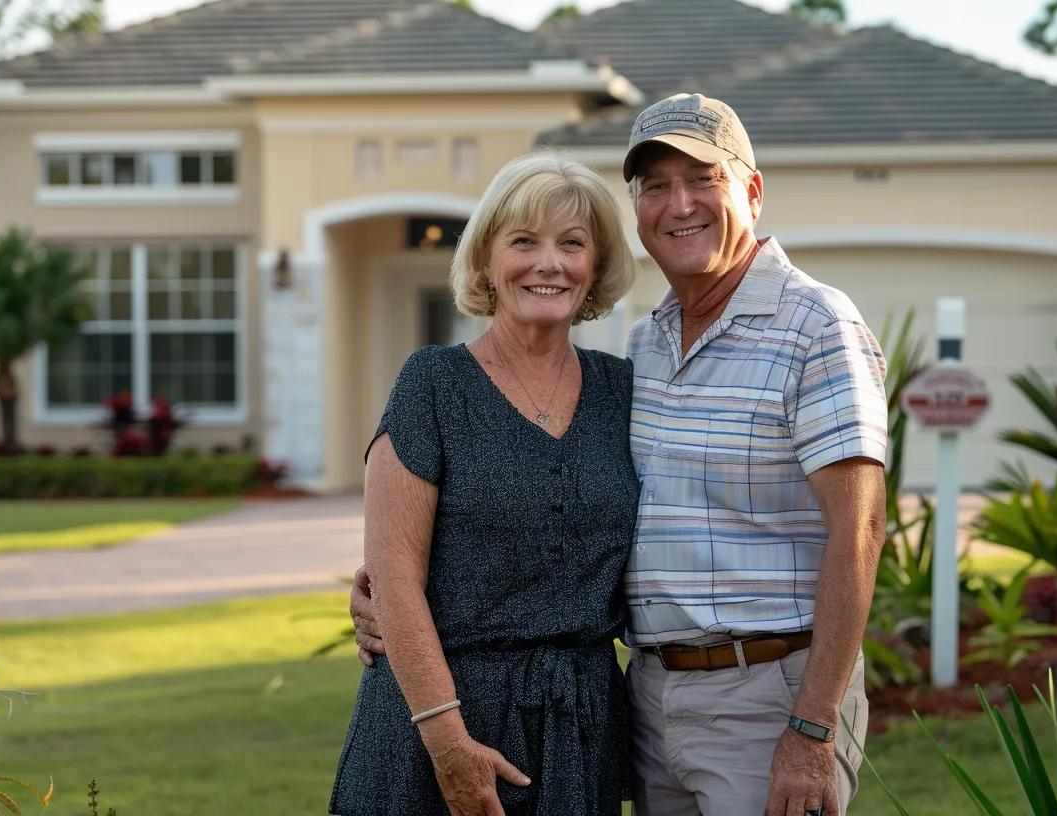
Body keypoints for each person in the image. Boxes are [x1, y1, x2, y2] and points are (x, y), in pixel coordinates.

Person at [353, 93, 888, 816]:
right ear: (485, 256)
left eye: (572, 243)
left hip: (693, 708)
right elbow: (415, 563)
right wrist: (386, 600)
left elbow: (860, 531)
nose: (681, 204)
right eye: (657, 186)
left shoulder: (799, 329)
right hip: (577, 710)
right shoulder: (646, 348)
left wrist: (815, 725)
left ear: (752, 193)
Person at [329, 152, 640, 816]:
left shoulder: (625, 391)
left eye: (572, 244)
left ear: (596, 266)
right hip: (439, 717)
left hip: (579, 725)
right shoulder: (433, 385)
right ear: (486, 260)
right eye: (523, 241)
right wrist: (449, 745)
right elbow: (394, 577)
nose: (548, 263)